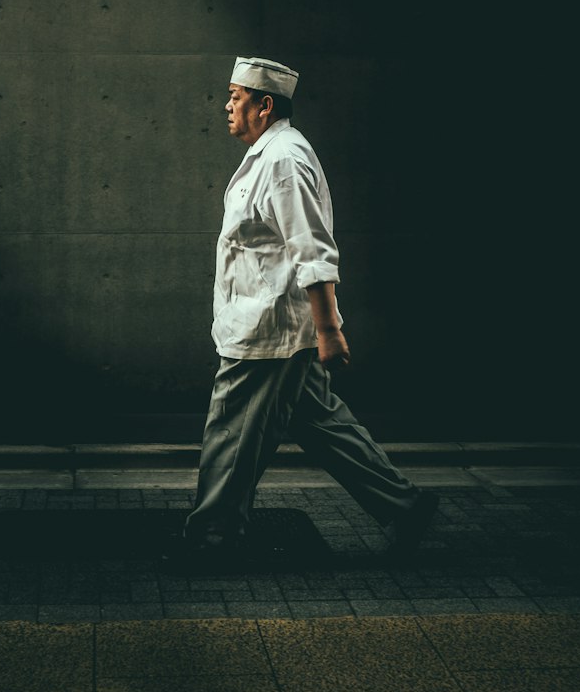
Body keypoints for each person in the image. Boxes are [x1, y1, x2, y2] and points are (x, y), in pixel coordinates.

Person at [170, 55, 438, 570]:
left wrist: (328, 329)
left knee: (229, 431)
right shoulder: (267, 154)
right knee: (322, 423)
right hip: (273, 325)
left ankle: (213, 540)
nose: (226, 105)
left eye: (235, 96)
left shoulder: (284, 160)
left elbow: (312, 249)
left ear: (264, 104)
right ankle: (405, 507)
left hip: (271, 331)